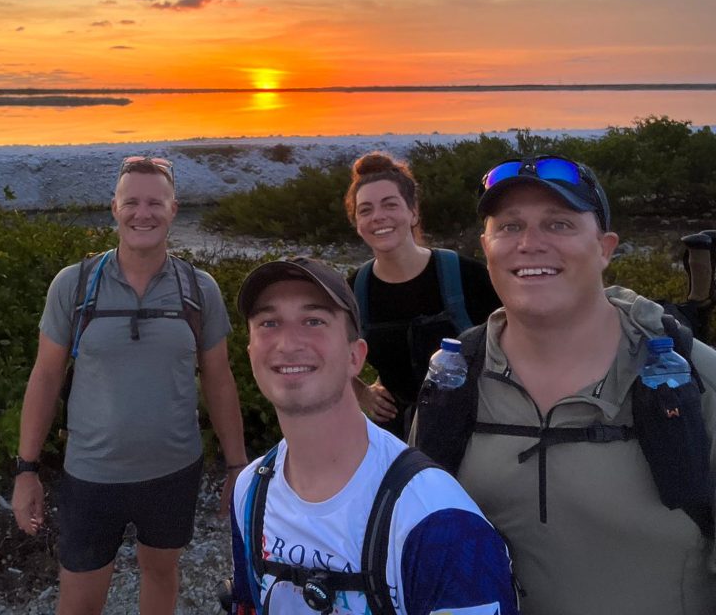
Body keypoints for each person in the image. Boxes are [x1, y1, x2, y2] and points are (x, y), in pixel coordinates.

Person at [412, 154, 716, 614]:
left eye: (559, 224)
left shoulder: (695, 380)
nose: (530, 243)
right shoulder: (453, 381)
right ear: (486, 247)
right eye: (510, 226)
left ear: (605, 248)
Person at [12, 156, 247, 615]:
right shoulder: (74, 285)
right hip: (91, 476)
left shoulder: (199, 289)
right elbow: (45, 377)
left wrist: (238, 466)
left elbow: (219, 378)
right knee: (78, 602)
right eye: (132, 202)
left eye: (155, 203)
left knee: (160, 574)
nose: (144, 213)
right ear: (114, 208)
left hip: (173, 473)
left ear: (173, 209)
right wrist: (26, 470)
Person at [228, 257, 518, 615]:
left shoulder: (437, 520)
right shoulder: (250, 492)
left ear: (355, 356)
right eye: (269, 323)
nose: (287, 343)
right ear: (251, 353)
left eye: (314, 321)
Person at [344, 152, 499, 439]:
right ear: (357, 223)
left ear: (413, 212)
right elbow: (326, 352)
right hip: (397, 440)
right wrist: (361, 392)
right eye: (365, 210)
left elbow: (523, 336)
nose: (378, 216)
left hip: (474, 432)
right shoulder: (355, 289)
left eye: (390, 204)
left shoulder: (465, 275)